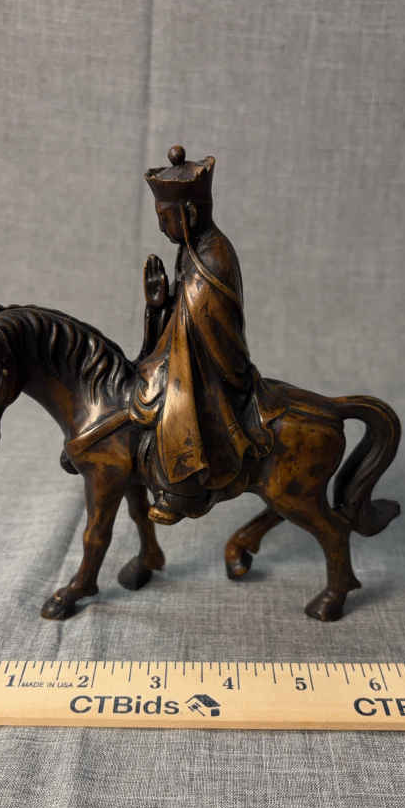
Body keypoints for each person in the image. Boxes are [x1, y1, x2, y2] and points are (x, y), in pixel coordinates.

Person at [131, 145, 273, 525]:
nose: (161, 228)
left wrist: (174, 319)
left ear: (189, 214)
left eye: (165, 218)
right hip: (185, 350)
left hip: (212, 366)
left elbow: (201, 324)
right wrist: (158, 306)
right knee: (145, 380)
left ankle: (184, 488)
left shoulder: (214, 254)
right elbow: (183, 311)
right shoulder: (190, 249)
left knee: (171, 400)